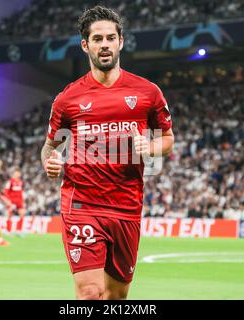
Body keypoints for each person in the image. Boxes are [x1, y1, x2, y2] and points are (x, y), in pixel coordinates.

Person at [41, 6, 174, 300]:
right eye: (98, 39)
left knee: (116, 296)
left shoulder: (147, 92)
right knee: (90, 292)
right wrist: (50, 163)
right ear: (85, 45)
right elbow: (50, 146)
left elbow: (167, 139)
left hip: (127, 206)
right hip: (82, 204)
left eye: (110, 38)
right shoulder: (68, 98)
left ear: (121, 42)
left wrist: (150, 147)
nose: (105, 45)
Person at [4, 167, 26, 236]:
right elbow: (6, 191)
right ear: (14, 173)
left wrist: (23, 201)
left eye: (19, 173)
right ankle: (8, 230)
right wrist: (8, 200)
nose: (18, 174)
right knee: (10, 215)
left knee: (22, 214)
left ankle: (18, 231)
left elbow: (21, 192)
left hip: (19, 201)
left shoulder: (21, 182)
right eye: (17, 173)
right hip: (12, 201)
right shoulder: (10, 181)